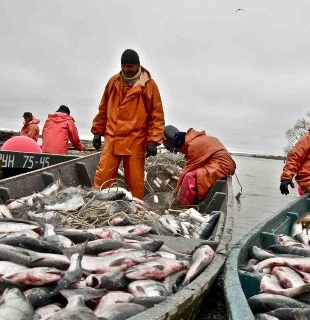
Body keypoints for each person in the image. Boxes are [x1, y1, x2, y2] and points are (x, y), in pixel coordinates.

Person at [91, 49, 165, 199]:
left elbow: (156, 115)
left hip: (135, 139)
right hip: (112, 137)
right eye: (123, 66)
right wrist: (97, 131)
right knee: (103, 175)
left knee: (135, 179)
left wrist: (153, 140)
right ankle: (98, 204)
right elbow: (103, 108)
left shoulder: (149, 85)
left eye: (129, 66)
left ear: (138, 65)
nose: (126, 69)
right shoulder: (113, 82)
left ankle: (136, 207)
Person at [163, 125, 236, 206]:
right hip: (222, 164)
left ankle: (183, 206)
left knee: (189, 177)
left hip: (222, 166)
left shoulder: (193, 145)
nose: (181, 152)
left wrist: (175, 193)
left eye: (180, 150)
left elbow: (187, 170)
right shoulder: (198, 138)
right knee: (192, 175)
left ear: (181, 145)